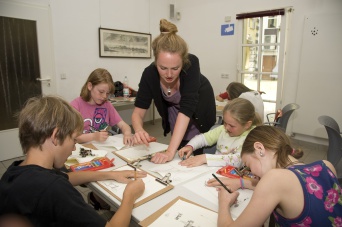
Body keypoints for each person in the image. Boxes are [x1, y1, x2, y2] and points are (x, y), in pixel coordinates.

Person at [0, 95, 146, 227]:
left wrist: (110, 174)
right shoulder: (55, 189)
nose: (74, 146)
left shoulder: (14, 172)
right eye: (74, 139)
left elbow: (66, 177)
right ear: (55, 136)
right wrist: (129, 196)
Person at [216, 125, 342, 227]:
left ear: (259, 148)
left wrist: (224, 202)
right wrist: (241, 182)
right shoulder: (326, 166)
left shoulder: (274, 178)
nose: (251, 172)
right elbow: (294, 191)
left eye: (248, 165)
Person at [132, 19, 216, 164]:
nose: (169, 74)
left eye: (175, 68)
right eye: (163, 68)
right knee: (178, 150)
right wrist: (139, 129)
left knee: (194, 151)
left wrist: (170, 152)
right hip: (175, 115)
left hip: (197, 113)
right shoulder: (149, 73)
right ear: (155, 61)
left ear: (183, 62)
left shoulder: (191, 63)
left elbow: (187, 109)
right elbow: (138, 112)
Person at [178, 98, 262, 167]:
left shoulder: (253, 136)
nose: (226, 127)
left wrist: (205, 158)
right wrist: (190, 146)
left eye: (232, 126)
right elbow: (203, 138)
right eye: (225, 122)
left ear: (247, 125)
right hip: (214, 171)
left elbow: (239, 160)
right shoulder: (222, 129)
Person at [71, 68, 133, 145]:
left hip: (101, 148)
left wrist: (127, 134)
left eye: (107, 93)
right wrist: (93, 136)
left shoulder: (106, 105)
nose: (104, 96)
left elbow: (124, 125)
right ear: (90, 86)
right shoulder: (76, 106)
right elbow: (72, 137)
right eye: (101, 92)